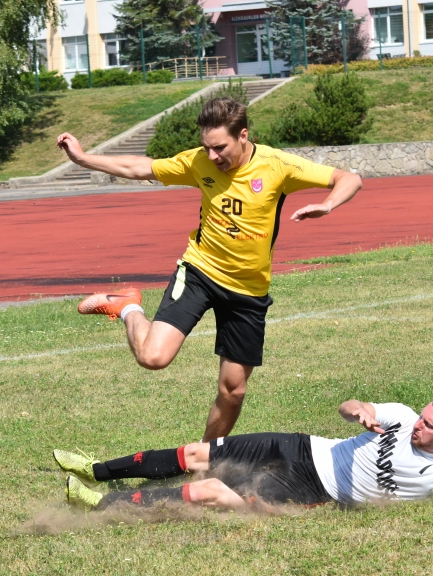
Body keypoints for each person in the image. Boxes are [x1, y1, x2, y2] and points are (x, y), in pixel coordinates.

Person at [56, 98, 362, 441]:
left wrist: (328, 203)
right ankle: (127, 304)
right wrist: (83, 158)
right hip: (200, 271)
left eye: (220, 147)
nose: (212, 157)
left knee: (234, 391)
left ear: (243, 136)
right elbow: (140, 167)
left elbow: (348, 177)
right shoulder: (199, 162)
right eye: (207, 147)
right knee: (153, 357)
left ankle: (205, 458)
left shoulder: (278, 166)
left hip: (248, 290)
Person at [52, 394, 433, 511]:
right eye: (421, 418)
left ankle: (98, 505)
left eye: (430, 427)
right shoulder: (397, 415)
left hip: (312, 490)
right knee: (198, 452)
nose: (418, 427)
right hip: (300, 446)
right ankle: (97, 468)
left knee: (211, 491)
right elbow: (352, 404)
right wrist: (359, 412)